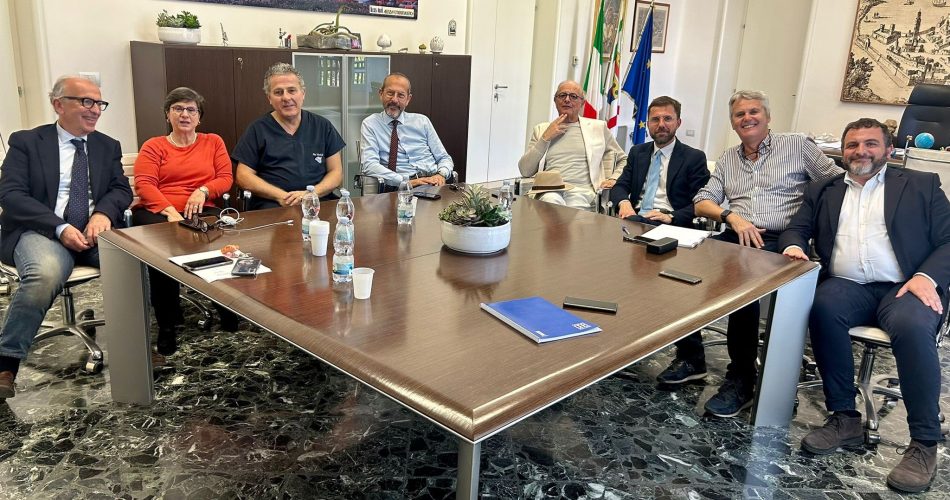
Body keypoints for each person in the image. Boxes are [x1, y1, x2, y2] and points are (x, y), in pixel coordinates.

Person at [779, 118, 950, 493]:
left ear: (889, 150)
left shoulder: (921, 184)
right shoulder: (823, 189)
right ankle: (845, 418)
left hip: (905, 285)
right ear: (843, 152)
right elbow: (797, 228)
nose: (861, 151)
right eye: (853, 145)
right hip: (848, 285)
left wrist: (926, 276)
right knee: (822, 308)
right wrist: (793, 245)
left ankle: (924, 442)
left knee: (912, 327)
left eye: (871, 143)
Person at [672, 90, 839, 416]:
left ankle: (746, 378)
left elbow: (837, 184)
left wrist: (812, 223)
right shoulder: (728, 158)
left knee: (743, 286)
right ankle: (693, 359)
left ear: (767, 117)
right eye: (739, 114)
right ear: (733, 123)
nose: (747, 118)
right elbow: (702, 201)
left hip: (783, 238)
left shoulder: (798, 146)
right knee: (682, 269)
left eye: (754, 112)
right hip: (736, 233)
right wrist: (732, 216)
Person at [0, 75, 133, 398]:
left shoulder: (107, 146)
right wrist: (60, 227)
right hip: (42, 231)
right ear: (58, 104)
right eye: (86, 101)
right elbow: (11, 194)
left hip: (93, 231)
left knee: (135, 263)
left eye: (99, 103)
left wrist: (103, 214)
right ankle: (6, 364)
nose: (95, 110)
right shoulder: (27, 142)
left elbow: (121, 189)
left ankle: (139, 349)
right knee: (45, 273)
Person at [132, 87, 240, 360]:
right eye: (178, 108)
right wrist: (169, 211)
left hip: (201, 207)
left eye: (191, 109)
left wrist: (203, 190)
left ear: (199, 117)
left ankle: (225, 304)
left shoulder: (213, 141)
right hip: (158, 210)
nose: (185, 114)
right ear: (167, 115)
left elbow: (225, 178)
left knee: (219, 240)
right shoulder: (154, 145)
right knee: (162, 251)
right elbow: (144, 184)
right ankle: (167, 324)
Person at [233, 63, 344, 210]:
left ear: (303, 93)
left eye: (292, 90)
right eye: (278, 92)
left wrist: (311, 194)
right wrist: (281, 196)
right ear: (269, 98)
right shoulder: (257, 130)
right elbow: (243, 176)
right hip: (273, 204)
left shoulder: (322, 126)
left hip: (318, 200)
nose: (286, 97)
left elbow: (336, 173)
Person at [518, 80, 626, 210]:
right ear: (555, 101)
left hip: (582, 192)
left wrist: (614, 178)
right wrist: (545, 138)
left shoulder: (598, 128)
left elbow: (623, 159)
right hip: (549, 190)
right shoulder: (542, 129)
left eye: (573, 96)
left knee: (573, 208)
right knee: (551, 200)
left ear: (582, 103)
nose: (567, 100)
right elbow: (525, 170)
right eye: (562, 95)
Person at [610, 96, 709, 226]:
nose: (661, 124)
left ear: (678, 123)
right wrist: (624, 203)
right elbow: (620, 186)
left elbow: (703, 202)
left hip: (670, 223)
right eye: (655, 119)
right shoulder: (637, 152)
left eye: (667, 119)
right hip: (635, 217)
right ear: (648, 124)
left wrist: (671, 217)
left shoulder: (694, 158)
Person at [360, 72, 454, 192]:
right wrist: (405, 181)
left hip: (433, 183)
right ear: (381, 94)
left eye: (401, 95)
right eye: (390, 93)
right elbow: (369, 165)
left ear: (408, 99)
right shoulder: (370, 124)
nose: (394, 100)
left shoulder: (422, 121)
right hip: (400, 188)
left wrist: (441, 174)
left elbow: (444, 158)